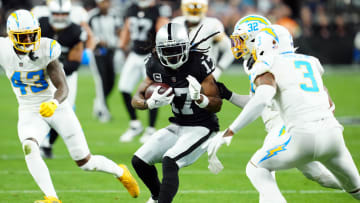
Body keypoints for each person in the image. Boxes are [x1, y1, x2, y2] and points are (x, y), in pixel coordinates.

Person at [208, 18, 360, 202]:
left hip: (291, 129)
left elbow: (262, 100)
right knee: (327, 178)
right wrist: (228, 94)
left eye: (242, 39)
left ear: (261, 40)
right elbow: (328, 103)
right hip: (332, 133)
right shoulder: (310, 62)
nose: (237, 45)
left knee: (258, 168)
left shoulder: (267, 65)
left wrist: (230, 131)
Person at [1, 10, 139, 202]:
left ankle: (119, 172)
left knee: (85, 162)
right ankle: (52, 198)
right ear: (10, 35)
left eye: (32, 35)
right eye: (22, 36)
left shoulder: (46, 48)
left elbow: (63, 87)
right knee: (29, 146)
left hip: (57, 107)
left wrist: (53, 102)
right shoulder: (3, 49)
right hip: (28, 110)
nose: (28, 40)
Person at [131, 23, 222, 203]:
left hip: (203, 127)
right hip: (178, 125)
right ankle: (157, 197)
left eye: (176, 49)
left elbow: (217, 104)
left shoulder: (198, 64)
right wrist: (147, 103)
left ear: (186, 47)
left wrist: (201, 99)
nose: (172, 55)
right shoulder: (154, 64)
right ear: (158, 50)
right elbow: (136, 98)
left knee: (170, 161)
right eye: (167, 50)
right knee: (139, 161)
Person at [117, 0, 171, 143]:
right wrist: (122, 45)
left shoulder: (159, 9)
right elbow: (127, 28)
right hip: (134, 53)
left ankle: (151, 129)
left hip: (151, 55)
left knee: (153, 90)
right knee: (124, 88)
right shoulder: (132, 8)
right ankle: (135, 124)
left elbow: (164, 30)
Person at [172, 0, 234, 80]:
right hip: (179, 74)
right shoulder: (176, 23)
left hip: (204, 75)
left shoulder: (213, 25)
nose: (194, 12)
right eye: (191, 10)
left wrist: (219, 69)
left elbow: (230, 49)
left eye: (197, 10)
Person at [88, 0, 123, 122]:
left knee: (111, 81)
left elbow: (120, 31)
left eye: (107, 2)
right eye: (103, 2)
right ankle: (103, 112)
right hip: (98, 52)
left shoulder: (114, 15)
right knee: (101, 81)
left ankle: (98, 103)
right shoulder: (92, 16)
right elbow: (88, 34)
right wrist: (97, 40)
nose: (105, 5)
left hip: (112, 51)